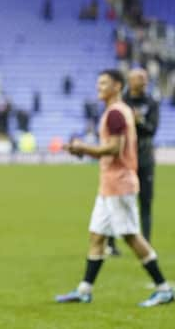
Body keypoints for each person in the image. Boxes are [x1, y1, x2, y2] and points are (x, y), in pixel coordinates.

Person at [58, 69, 172, 307]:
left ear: (117, 86)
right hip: (109, 184)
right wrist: (83, 150)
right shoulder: (121, 111)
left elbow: (114, 149)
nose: (99, 87)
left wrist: (83, 148)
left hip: (119, 183)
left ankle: (163, 289)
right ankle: (84, 290)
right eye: (98, 83)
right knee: (97, 235)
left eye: (104, 83)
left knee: (130, 236)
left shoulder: (116, 114)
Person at [108, 68, 160, 256]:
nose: (144, 81)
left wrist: (139, 122)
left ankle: (145, 245)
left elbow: (152, 130)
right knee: (116, 199)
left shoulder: (151, 102)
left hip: (145, 158)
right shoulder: (121, 103)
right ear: (130, 81)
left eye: (145, 78)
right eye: (140, 78)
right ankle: (111, 244)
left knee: (145, 202)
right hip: (123, 159)